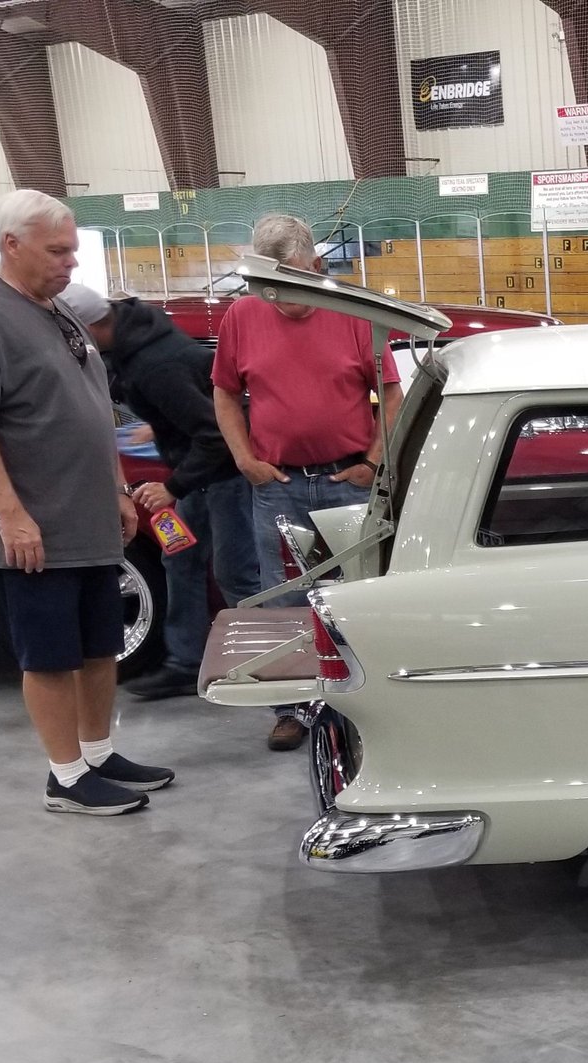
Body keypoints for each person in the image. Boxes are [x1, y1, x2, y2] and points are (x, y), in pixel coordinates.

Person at [0, 189, 172, 815]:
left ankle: (98, 753)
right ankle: (66, 777)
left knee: (101, 645)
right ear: (10, 244)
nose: (71, 262)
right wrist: (11, 514)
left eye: (72, 250)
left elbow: (95, 412)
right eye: (58, 251)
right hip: (34, 527)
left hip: (89, 516)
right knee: (48, 655)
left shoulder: (60, 311)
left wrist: (118, 489)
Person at [212, 212, 401, 750]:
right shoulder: (242, 316)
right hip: (279, 487)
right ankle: (293, 706)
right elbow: (225, 391)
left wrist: (372, 462)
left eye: (292, 282)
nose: (283, 298)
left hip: (348, 483)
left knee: (357, 597)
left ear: (317, 267)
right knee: (287, 600)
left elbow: (391, 393)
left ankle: (363, 703)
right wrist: (244, 458)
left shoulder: (354, 315)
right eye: (271, 286)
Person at [56, 282, 259, 700]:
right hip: (198, 472)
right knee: (180, 558)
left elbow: (216, 436)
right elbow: (193, 400)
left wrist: (171, 487)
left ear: (90, 327)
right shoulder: (137, 334)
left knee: (235, 574)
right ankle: (185, 662)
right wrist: (163, 423)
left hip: (225, 477)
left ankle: (266, 666)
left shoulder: (155, 364)